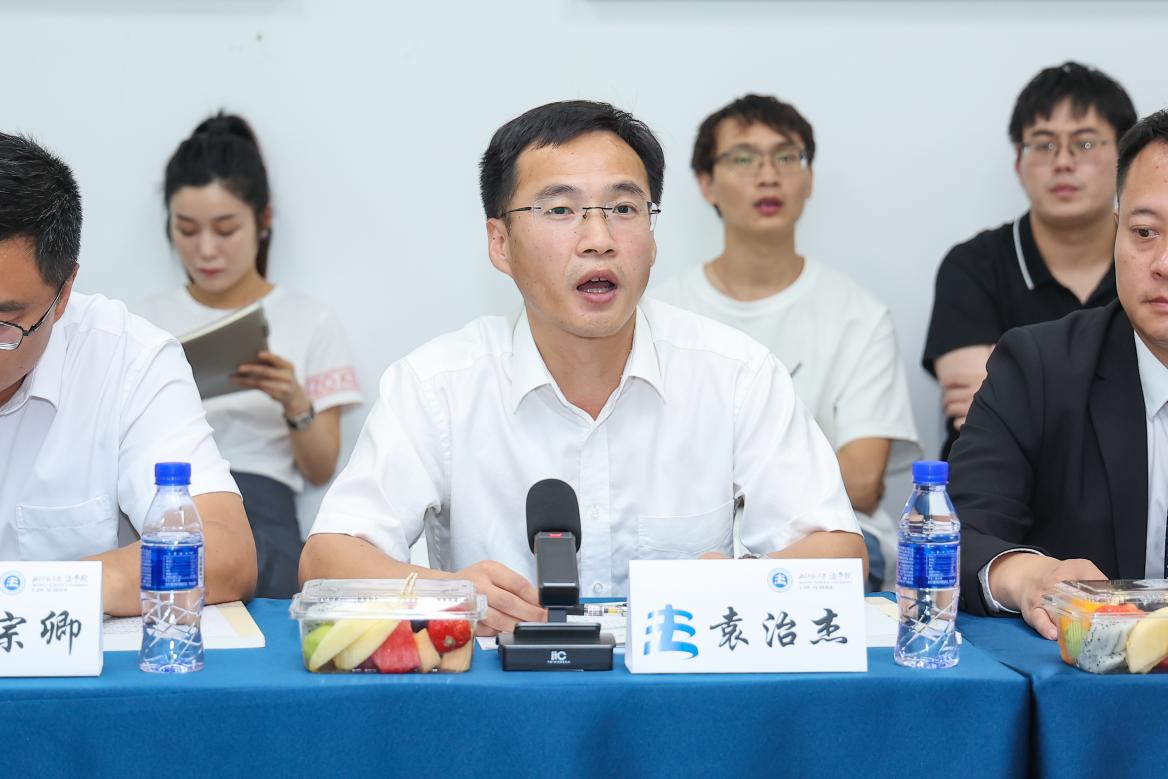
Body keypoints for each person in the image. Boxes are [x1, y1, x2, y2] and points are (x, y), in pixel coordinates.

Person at [300, 100, 866, 635]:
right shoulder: (436, 385)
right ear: (501, 243)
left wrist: (741, 585)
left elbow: (840, 553)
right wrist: (445, 593)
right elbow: (327, 559)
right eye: (560, 210)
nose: (599, 240)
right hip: (503, 692)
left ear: (652, 236)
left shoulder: (736, 373)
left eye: (624, 209)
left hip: (677, 688)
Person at [652, 94, 920, 590]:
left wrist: (713, 482)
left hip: (829, 542)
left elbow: (862, 483)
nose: (768, 175)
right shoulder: (661, 311)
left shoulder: (858, 316)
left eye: (786, 157)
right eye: (743, 158)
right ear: (706, 183)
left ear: (809, 178)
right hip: (696, 543)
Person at [0, 132, 256, 615]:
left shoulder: (128, 360)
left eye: (4, 325)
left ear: (63, 294)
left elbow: (225, 552)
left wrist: (44, 594)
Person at [952, 108, 1168, 639]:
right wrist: (1030, 578)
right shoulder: (1039, 367)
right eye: (1144, 232)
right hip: (1082, 675)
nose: (1163, 263)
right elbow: (961, 532)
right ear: (1116, 232)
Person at [136, 114, 362, 598]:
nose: (206, 250)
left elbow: (321, 468)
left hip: (264, 512)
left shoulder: (309, 319)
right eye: (187, 230)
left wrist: (294, 400)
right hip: (163, 504)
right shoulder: (142, 323)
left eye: (225, 229)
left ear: (263, 220)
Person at [923, 62, 1137, 458]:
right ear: (1018, 164)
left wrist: (1022, 389)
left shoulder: (1153, 263)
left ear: (1126, 159)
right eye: (1043, 145)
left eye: (1085, 144)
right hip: (996, 480)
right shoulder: (972, 265)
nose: (1063, 162)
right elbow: (976, 413)